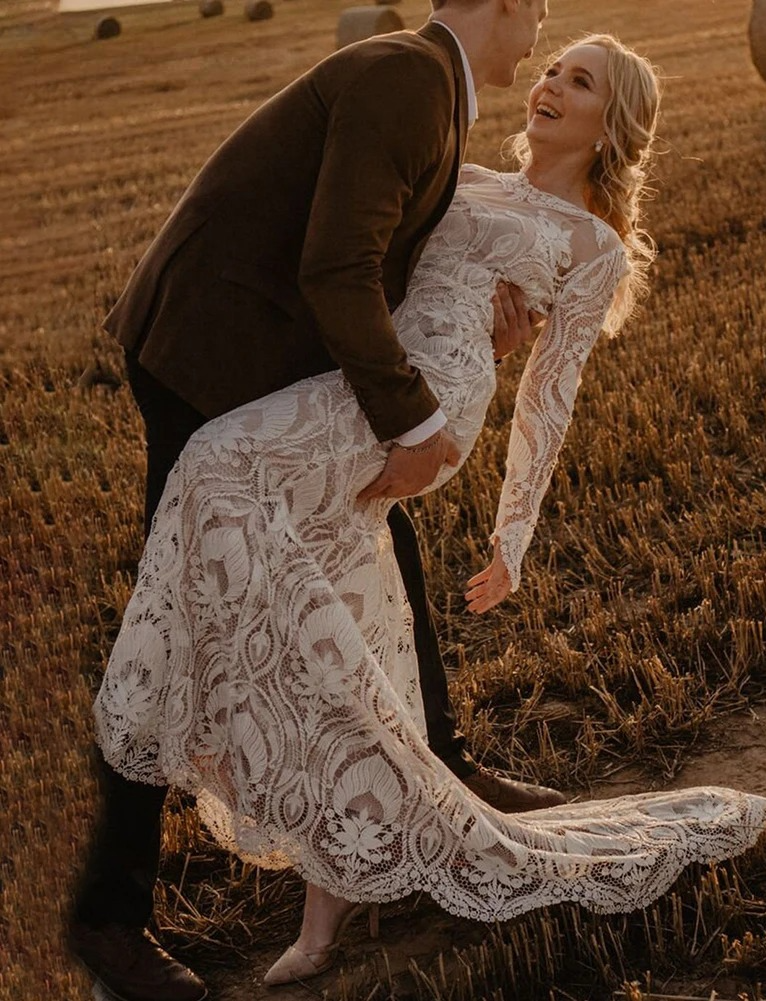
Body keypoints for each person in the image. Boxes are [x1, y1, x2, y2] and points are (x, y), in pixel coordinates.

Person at [89, 32, 766, 992]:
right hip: (369, 382)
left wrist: (515, 534)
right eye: (551, 67)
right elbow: (370, 259)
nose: (549, 84)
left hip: (426, 404)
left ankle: (170, 704)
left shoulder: (595, 246)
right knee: (353, 605)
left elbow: (549, 394)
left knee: (214, 463)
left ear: (610, 128)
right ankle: (332, 895)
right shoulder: (468, 174)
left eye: (579, 82)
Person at [70, 3, 557, 1000]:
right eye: (537, 4)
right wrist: (415, 425)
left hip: (253, 353)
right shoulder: (407, 80)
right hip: (209, 353)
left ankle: (439, 770)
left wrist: (481, 327)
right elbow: (335, 266)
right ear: (499, 2)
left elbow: (380, 259)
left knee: (383, 537)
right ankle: (108, 920)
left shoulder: (430, 88)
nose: (543, 24)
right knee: (183, 611)